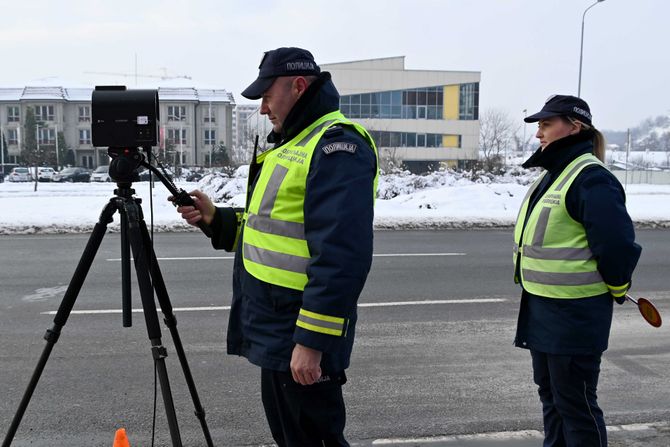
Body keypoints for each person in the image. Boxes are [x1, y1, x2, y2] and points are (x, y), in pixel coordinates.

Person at [174, 47, 378, 446]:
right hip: (279, 328)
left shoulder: (337, 147)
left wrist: (311, 342)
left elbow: (341, 257)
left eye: (267, 96)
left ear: (298, 87)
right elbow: (270, 231)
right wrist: (217, 219)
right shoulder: (293, 144)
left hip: (298, 333)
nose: (264, 108)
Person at [513, 94, 642, 446]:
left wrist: (618, 286)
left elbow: (616, 246)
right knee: (552, 400)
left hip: (575, 315)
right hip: (543, 309)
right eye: (538, 125)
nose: (539, 133)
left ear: (574, 126)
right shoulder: (554, 175)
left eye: (546, 124)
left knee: (576, 406)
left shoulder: (591, 178)